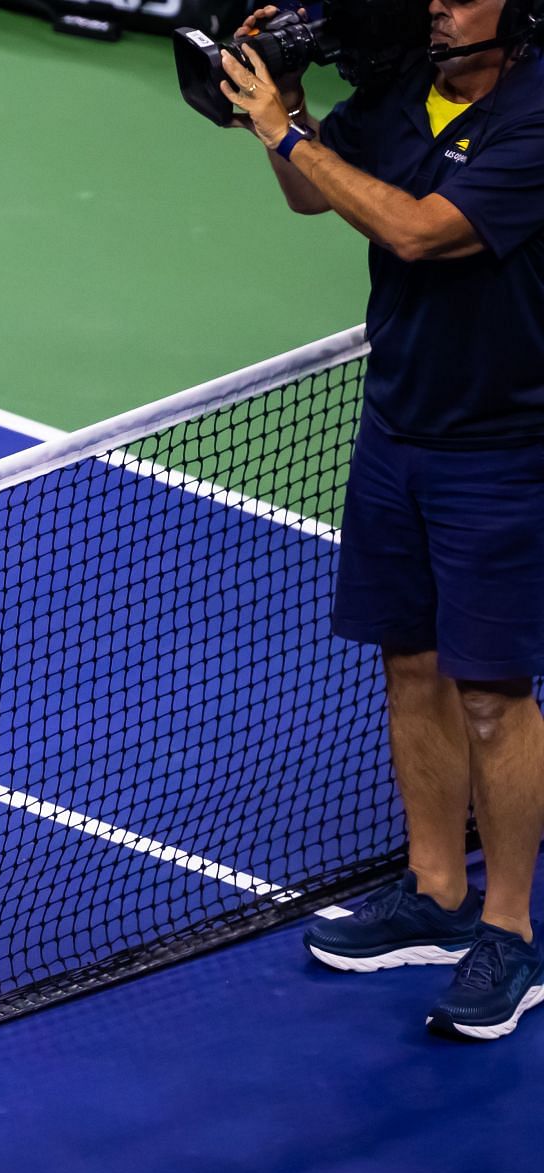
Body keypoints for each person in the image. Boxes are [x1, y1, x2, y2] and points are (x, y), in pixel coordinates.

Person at [221, 1, 544, 1038]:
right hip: (398, 425)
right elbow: (310, 199)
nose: (438, 2)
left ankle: (509, 932)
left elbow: (415, 230)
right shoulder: (406, 88)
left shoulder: (537, 119)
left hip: (505, 447)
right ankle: (436, 890)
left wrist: (286, 132)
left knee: (493, 695)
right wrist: (291, 104)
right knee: (410, 662)